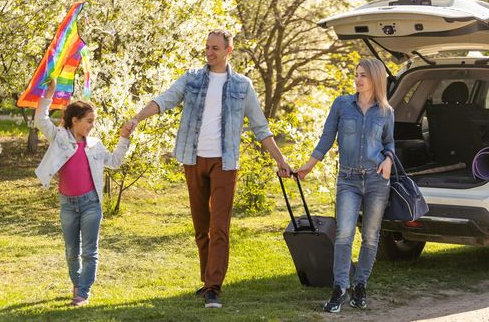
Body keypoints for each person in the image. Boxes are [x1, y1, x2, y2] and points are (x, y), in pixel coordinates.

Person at [126, 29, 292, 308]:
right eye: (207, 47)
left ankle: (214, 287)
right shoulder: (192, 79)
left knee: (219, 227)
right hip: (193, 158)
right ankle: (206, 282)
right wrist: (137, 118)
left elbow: (260, 127)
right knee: (201, 227)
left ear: (229, 50)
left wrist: (280, 159)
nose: (210, 52)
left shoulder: (243, 85)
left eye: (216, 47)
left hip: (224, 163)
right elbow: (165, 99)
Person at [296, 58, 394, 313]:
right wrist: (309, 165)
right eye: (356, 74)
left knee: (371, 237)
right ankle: (340, 288)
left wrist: (390, 160)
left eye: (364, 75)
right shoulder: (342, 105)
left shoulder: (385, 111)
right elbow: (327, 137)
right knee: (343, 235)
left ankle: (360, 286)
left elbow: (390, 143)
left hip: (376, 180)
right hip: (348, 179)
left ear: (376, 79)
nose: (358, 79)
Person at [35, 80, 132, 307]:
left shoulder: (95, 145)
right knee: (71, 251)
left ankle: (82, 293)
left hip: (91, 204)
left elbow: (115, 162)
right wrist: (49, 94)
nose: (92, 126)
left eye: (94, 121)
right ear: (74, 121)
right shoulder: (59, 138)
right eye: (89, 121)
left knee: (89, 251)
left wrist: (124, 137)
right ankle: (77, 284)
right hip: (68, 204)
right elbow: (41, 119)